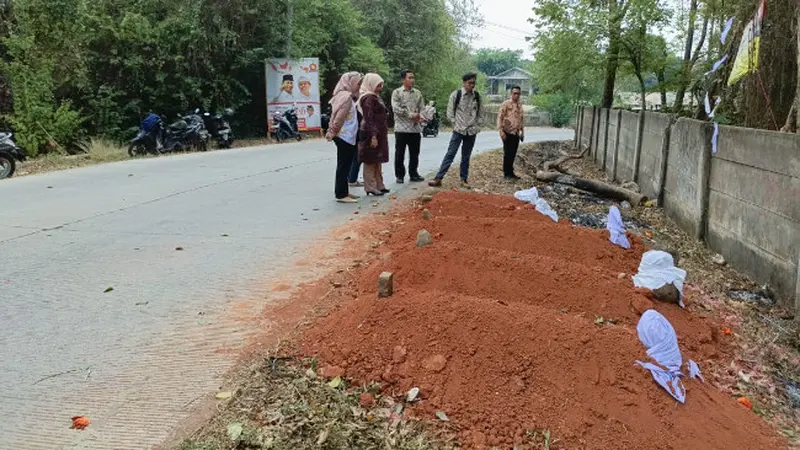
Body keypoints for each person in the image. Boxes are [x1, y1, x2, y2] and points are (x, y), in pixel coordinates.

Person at [429, 72, 482, 187]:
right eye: (470, 83)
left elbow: (480, 114)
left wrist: (477, 126)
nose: (472, 85)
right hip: (458, 130)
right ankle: (438, 178)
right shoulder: (456, 95)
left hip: (471, 131)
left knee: (466, 156)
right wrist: (455, 124)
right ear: (464, 83)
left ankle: (464, 179)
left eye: (473, 83)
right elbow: (450, 113)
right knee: (450, 154)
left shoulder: (476, 96)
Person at [326, 72, 363, 203]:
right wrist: (332, 131)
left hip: (346, 136)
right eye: (358, 83)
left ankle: (344, 192)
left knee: (345, 165)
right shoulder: (346, 97)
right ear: (350, 82)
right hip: (343, 136)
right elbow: (339, 117)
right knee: (343, 166)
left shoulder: (345, 96)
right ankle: (341, 194)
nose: (359, 86)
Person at [358, 73, 390, 196]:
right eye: (378, 84)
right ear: (370, 84)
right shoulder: (368, 98)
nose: (381, 87)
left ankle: (379, 184)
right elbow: (369, 118)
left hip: (379, 132)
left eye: (381, 84)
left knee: (378, 159)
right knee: (370, 160)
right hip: (371, 132)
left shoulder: (375, 96)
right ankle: (370, 186)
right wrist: (373, 136)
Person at [391, 70, 425, 183]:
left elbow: (422, 108)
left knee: (415, 153)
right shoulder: (397, 92)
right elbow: (396, 109)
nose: (412, 80)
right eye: (409, 78)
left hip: (415, 129)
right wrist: (411, 115)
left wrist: (422, 116)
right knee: (400, 153)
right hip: (401, 128)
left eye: (413, 77)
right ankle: (399, 175)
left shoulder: (418, 93)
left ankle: (414, 173)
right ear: (403, 79)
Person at [497, 85, 525, 180]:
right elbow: (500, 117)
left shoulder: (520, 106)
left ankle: (511, 173)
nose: (516, 95)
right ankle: (506, 174)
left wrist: (522, 132)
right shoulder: (506, 104)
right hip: (507, 132)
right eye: (515, 93)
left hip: (516, 133)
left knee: (513, 153)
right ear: (511, 93)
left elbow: (521, 119)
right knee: (508, 153)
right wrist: (501, 131)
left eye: (518, 93)